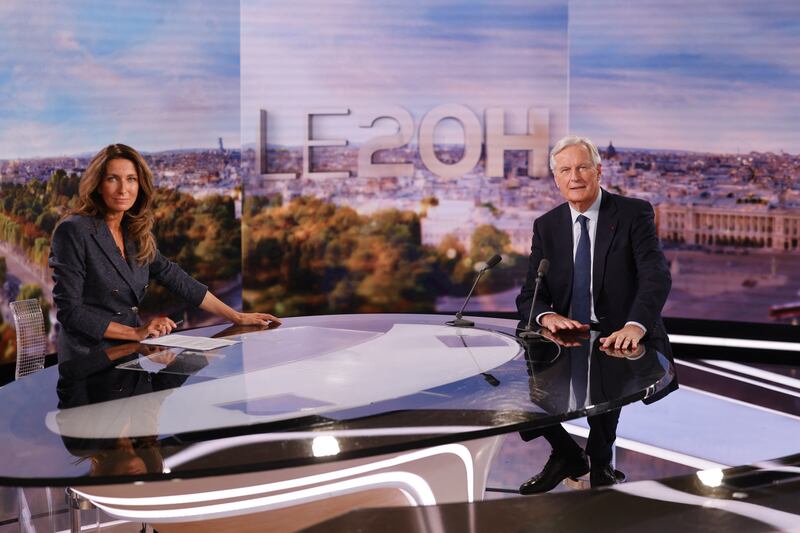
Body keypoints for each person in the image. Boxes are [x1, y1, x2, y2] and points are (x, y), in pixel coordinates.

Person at [515, 135, 675, 494]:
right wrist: (546, 317)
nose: (575, 177)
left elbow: (655, 275)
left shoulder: (633, 213)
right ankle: (569, 454)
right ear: (556, 178)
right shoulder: (547, 225)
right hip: (567, 336)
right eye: (566, 170)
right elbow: (529, 296)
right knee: (515, 393)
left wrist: (635, 325)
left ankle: (600, 467)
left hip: (617, 334)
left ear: (599, 171)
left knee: (605, 380)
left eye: (583, 167)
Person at [49, 143, 280, 362]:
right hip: (89, 361)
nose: (123, 189)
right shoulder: (73, 230)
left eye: (131, 179)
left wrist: (237, 317)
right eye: (112, 179)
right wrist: (137, 332)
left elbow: (175, 278)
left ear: (140, 186)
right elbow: (71, 312)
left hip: (130, 353)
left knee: (193, 372)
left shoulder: (133, 231)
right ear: (98, 185)